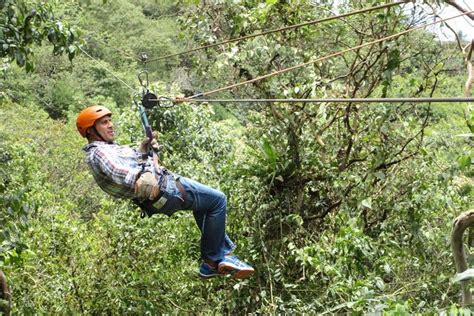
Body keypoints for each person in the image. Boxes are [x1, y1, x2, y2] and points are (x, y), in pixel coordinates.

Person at [76, 105, 254, 279]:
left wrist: (144, 149)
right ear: (91, 131)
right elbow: (117, 170)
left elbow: (132, 162)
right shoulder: (99, 152)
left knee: (205, 207)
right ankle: (215, 259)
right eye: (104, 123)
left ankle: (214, 261)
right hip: (167, 188)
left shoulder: (110, 148)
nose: (110, 125)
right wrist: (142, 174)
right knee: (218, 201)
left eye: (110, 121)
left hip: (158, 198)